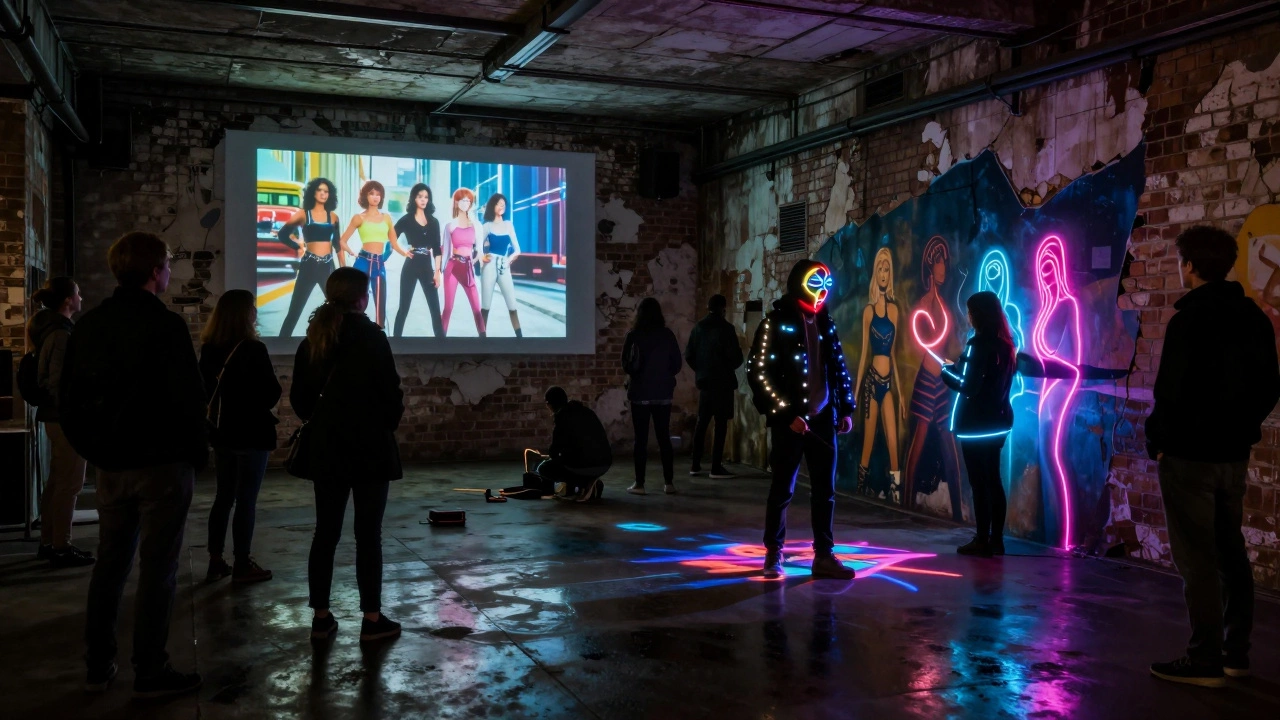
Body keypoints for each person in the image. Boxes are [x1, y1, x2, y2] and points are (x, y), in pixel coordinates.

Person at [60, 231, 206, 698]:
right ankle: (149, 668)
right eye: (166, 265)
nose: (169, 273)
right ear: (154, 272)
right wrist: (194, 455)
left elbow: (71, 400)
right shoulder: (165, 327)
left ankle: (99, 662)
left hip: (112, 465)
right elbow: (189, 399)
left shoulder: (90, 325)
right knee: (158, 569)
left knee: (110, 565)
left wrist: (95, 450)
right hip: (161, 465)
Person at [1146, 226, 1280, 688]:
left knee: (1197, 560)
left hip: (1188, 458)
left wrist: (1158, 441)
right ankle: (1234, 655)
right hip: (1232, 457)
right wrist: (1242, 428)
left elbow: (1170, 392)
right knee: (1231, 554)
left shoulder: (1189, 320)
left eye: (1180, 261)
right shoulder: (1253, 317)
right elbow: (1269, 386)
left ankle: (1204, 658)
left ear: (1191, 266)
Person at [291, 267, 405, 644]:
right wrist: (383, 424)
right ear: (361, 297)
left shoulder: (313, 340)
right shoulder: (373, 338)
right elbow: (392, 398)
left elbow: (300, 401)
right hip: (370, 449)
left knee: (326, 532)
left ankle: (321, 619)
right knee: (368, 535)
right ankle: (372, 619)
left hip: (327, 450)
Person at [748, 259, 856, 579]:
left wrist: (844, 409)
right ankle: (773, 553)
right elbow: (759, 373)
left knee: (825, 489)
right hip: (790, 422)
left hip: (823, 418)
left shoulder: (826, 322)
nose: (821, 291)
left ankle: (823, 555)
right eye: (814, 282)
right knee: (782, 487)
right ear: (799, 283)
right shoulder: (775, 322)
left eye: (826, 283)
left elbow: (837, 367)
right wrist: (784, 413)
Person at [199, 289, 281, 584]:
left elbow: (205, 391)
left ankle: (215, 559)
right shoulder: (253, 349)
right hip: (252, 433)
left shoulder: (209, 349)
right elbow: (271, 393)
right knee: (246, 501)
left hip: (222, 433)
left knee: (223, 497)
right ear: (246, 314)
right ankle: (243, 563)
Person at [940, 291, 1017, 558]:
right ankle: (996, 540)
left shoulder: (977, 344)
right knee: (994, 480)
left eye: (970, 312)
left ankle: (981, 540)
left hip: (976, 426)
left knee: (979, 483)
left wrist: (946, 372)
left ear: (979, 314)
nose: (968, 316)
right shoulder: (1007, 345)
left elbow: (969, 386)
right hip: (999, 421)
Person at [27, 277, 93, 567]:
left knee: (57, 482)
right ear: (68, 301)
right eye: (77, 293)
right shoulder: (62, 334)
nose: (81, 297)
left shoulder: (48, 329)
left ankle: (49, 542)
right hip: (65, 418)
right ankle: (61, 546)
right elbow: (59, 382)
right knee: (70, 484)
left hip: (54, 417)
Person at [904, 236, 963, 518]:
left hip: (943, 382)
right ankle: (905, 503)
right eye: (939, 262)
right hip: (928, 380)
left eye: (945, 262)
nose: (944, 268)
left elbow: (946, 343)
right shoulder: (925, 305)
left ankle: (957, 513)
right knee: (920, 439)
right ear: (930, 265)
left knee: (949, 445)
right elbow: (925, 341)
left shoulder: (943, 305)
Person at [852, 248, 905, 501]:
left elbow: (893, 354)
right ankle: (860, 490)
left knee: (894, 442)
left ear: (890, 273)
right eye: (880, 269)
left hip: (888, 383)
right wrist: (855, 390)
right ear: (875, 273)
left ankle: (896, 494)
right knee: (868, 443)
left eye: (887, 269)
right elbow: (863, 354)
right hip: (872, 382)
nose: (883, 273)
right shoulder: (868, 312)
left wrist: (902, 396)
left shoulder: (894, 311)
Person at [623, 298, 683, 495]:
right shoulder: (667, 335)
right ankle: (669, 483)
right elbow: (677, 364)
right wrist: (663, 376)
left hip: (640, 392)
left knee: (640, 440)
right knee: (663, 438)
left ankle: (639, 484)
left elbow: (625, 364)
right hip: (663, 393)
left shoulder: (634, 335)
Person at [684, 294, 743, 478]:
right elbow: (737, 358)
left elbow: (689, 355)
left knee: (702, 423)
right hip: (723, 383)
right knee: (721, 425)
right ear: (723, 308)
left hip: (705, 383)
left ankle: (695, 465)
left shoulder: (699, 328)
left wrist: (701, 370)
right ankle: (715, 467)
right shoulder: (727, 329)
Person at [338, 180, 410, 328]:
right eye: (371, 193)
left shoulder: (387, 218)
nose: (375, 197)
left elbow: (394, 244)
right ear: (365, 196)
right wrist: (351, 252)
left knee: (380, 303)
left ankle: (378, 335)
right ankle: (352, 330)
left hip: (378, 263)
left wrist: (406, 253)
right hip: (362, 261)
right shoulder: (359, 218)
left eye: (378, 194)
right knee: (356, 300)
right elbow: (342, 241)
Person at [277, 177, 339, 337]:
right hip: (309, 265)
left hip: (327, 266)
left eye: (326, 191)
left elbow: (337, 244)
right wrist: (297, 246)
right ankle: (281, 344)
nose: (323, 194)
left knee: (338, 309)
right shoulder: (303, 215)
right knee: (294, 311)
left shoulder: (333, 217)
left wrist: (341, 269)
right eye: (320, 190)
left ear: (330, 195)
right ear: (313, 192)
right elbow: (282, 234)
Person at [527, 386, 612, 501]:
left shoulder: (562, 417)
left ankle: (585, 484)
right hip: (605, 464)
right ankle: (588, 483)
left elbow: (554, 452)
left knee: (544, 468)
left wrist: (548, 457)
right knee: (569, 460)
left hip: (586, 466)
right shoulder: (587, 411)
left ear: (550, 404)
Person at [392, 183, 444, 338]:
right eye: (420, 196)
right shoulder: (406, 219)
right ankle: (396, 342)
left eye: (426, 197)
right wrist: (402, 251)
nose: (423, 200)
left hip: (427, 267)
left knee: (435, 308)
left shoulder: (434, 222)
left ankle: (441, 344)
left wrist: (437, 272)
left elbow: (437, 248)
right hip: (411, 265)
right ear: (414, 198)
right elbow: (391, 236)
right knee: (404, 307)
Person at [441, 187, 486, 336]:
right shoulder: (450, 225)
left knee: (476, 308)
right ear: (456, 202)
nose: (465, 203)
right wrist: (438, 271)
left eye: (468, 200)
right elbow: (446, 250)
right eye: (462, 200)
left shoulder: (476, 226)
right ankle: (440, 339)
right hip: (452, 267)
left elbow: (480, 251)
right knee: (448, 307)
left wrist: (474, 262)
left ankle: (483, 339)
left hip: (467, 267)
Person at [480, 193, 523, 337]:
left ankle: (520, 339)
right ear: (493, 206)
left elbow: (517, 249)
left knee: (512, 306)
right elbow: (477, 247)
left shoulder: (508, 224)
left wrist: (509, 260)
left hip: (504, 266)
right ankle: (481, 340)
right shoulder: (487, 226)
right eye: (499, 203)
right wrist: (483, 257)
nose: (502, 206)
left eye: (504, 204)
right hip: (489, 265)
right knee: (485, 306)